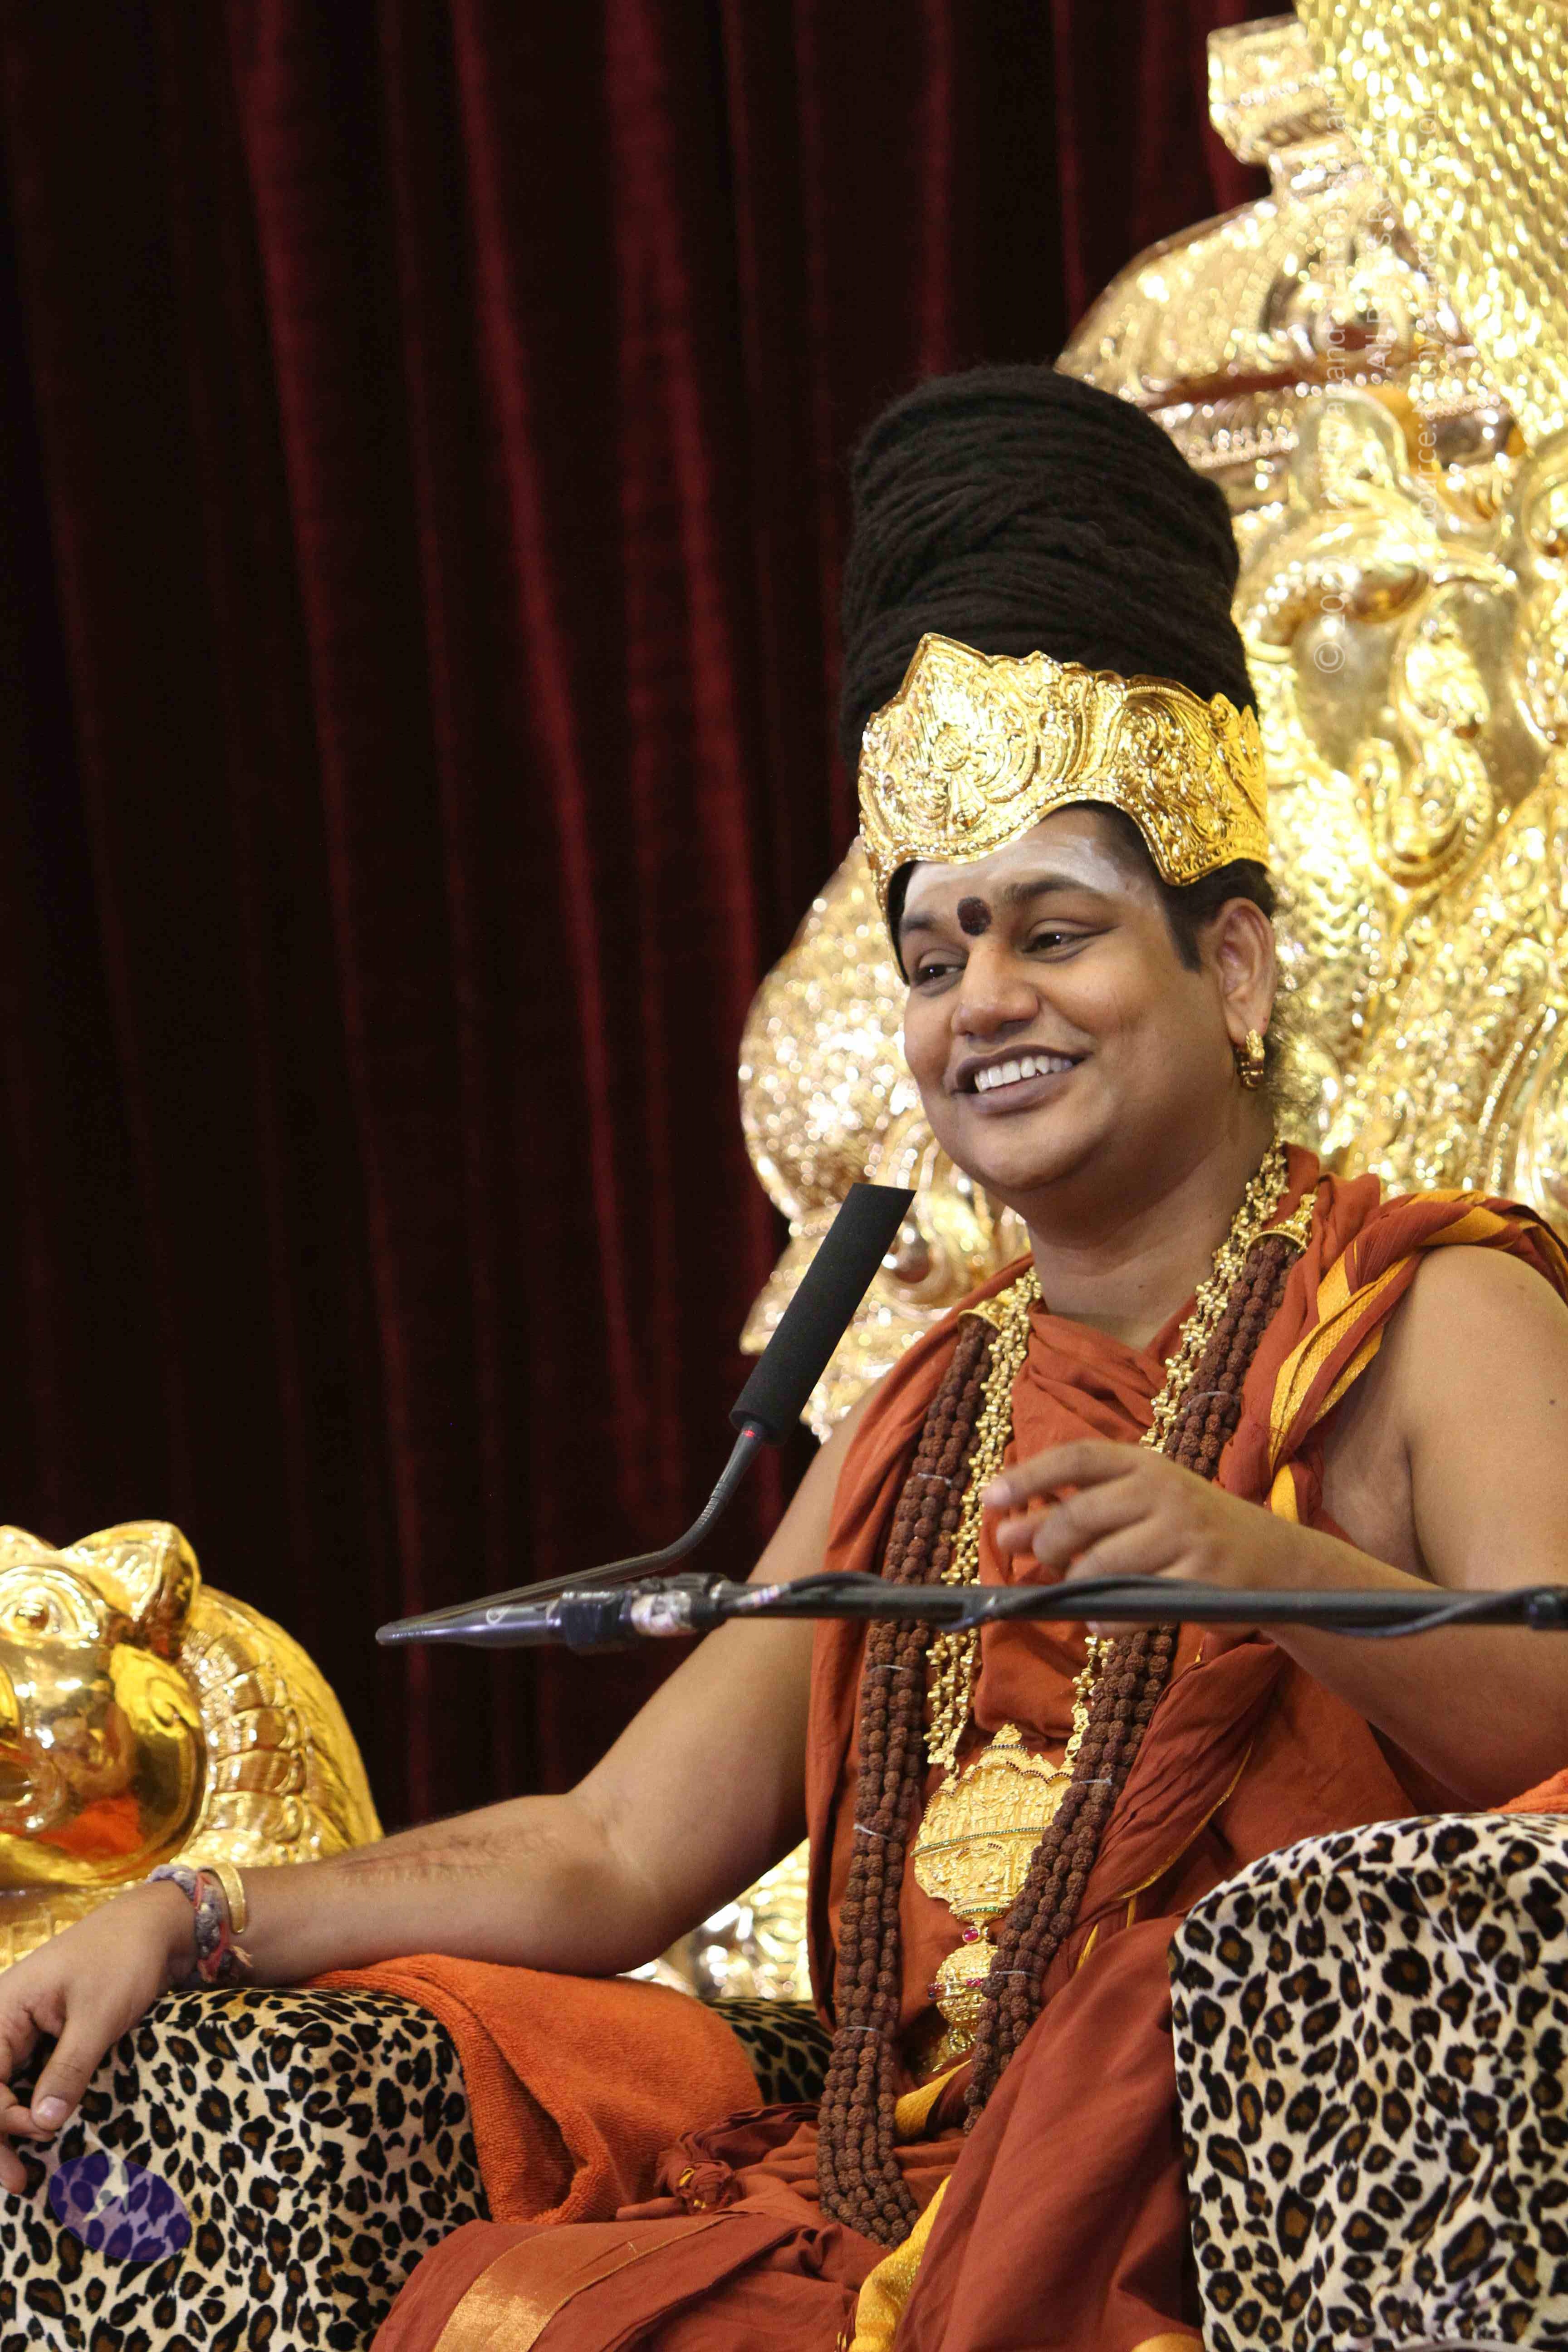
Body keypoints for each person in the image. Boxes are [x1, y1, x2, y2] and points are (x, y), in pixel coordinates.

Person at [5, 365, 1568, 2352]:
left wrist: (1264, 1567)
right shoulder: (927, 1416)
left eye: (1056, 934)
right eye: (934, 954)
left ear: (1235, 965)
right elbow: (612, 1849)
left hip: (1271, 2216)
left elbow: (1557, 1726)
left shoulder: (1427, 1315)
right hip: (912, 2192)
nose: (981, 1003)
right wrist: (194, 1913)